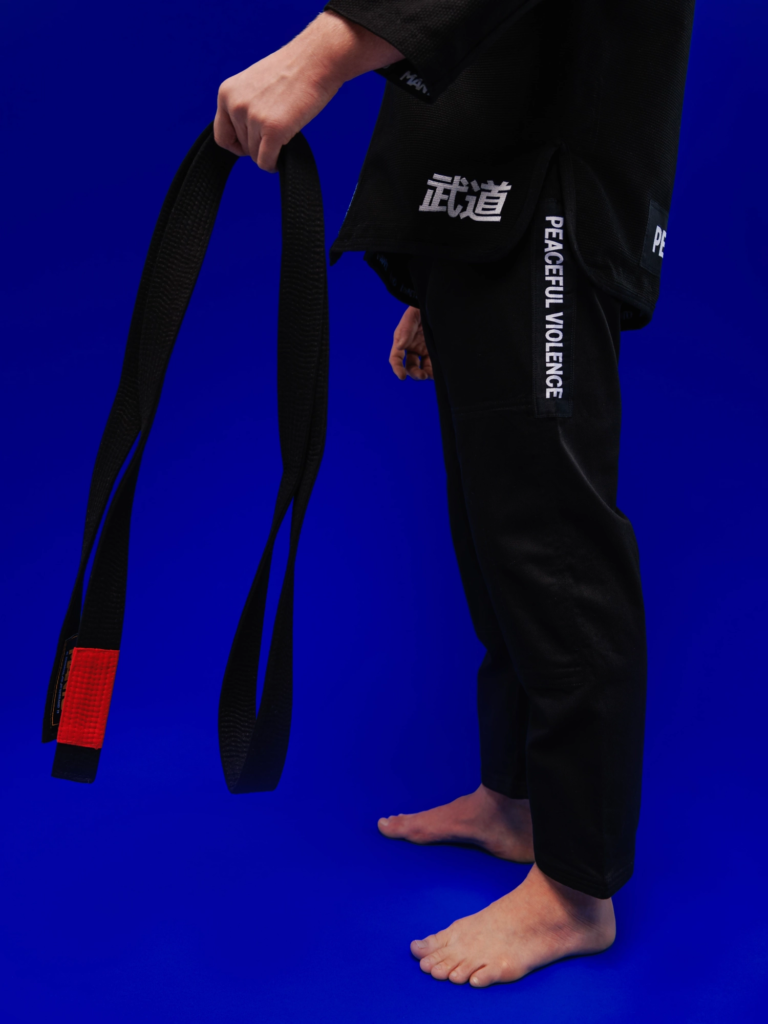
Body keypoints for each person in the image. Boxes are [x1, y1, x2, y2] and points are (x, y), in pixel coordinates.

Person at [214, 0, 696, 987]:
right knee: (494, 533)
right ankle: (515, 800)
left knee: (553, 541)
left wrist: (320, 54)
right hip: (488, 204)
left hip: (554, 193)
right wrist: (433, 276)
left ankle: (578, 888)